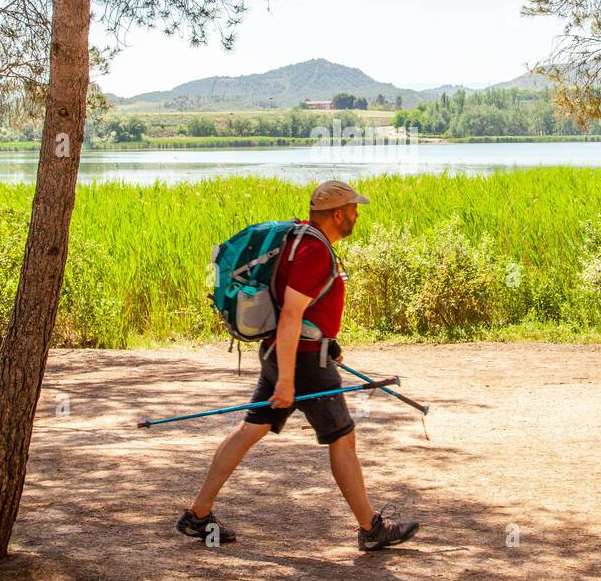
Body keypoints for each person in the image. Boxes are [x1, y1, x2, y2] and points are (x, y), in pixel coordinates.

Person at [176, 179, 420, 552]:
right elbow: (290, 314)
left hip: (287, 352)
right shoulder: (314, 251)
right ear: (338, 214)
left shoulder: (299, 239)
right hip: (303, 362)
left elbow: (301, 309)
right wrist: (288, 380)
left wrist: (326, 340)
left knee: (249, 430)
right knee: (343, 438)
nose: (357, 214)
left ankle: (198, 515)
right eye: (354, 209)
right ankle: (371, 528)